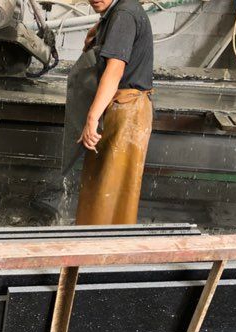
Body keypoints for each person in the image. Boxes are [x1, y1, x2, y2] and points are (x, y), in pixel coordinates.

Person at [76, 0, 154, 225]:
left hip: (127, 112)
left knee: (111, 195)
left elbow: (115, 70)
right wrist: (96, 34)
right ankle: (88, 240)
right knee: (99, 188)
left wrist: (92, 118)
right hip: (118, 107)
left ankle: (105, 244)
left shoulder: (124, 14)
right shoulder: (116, 13)